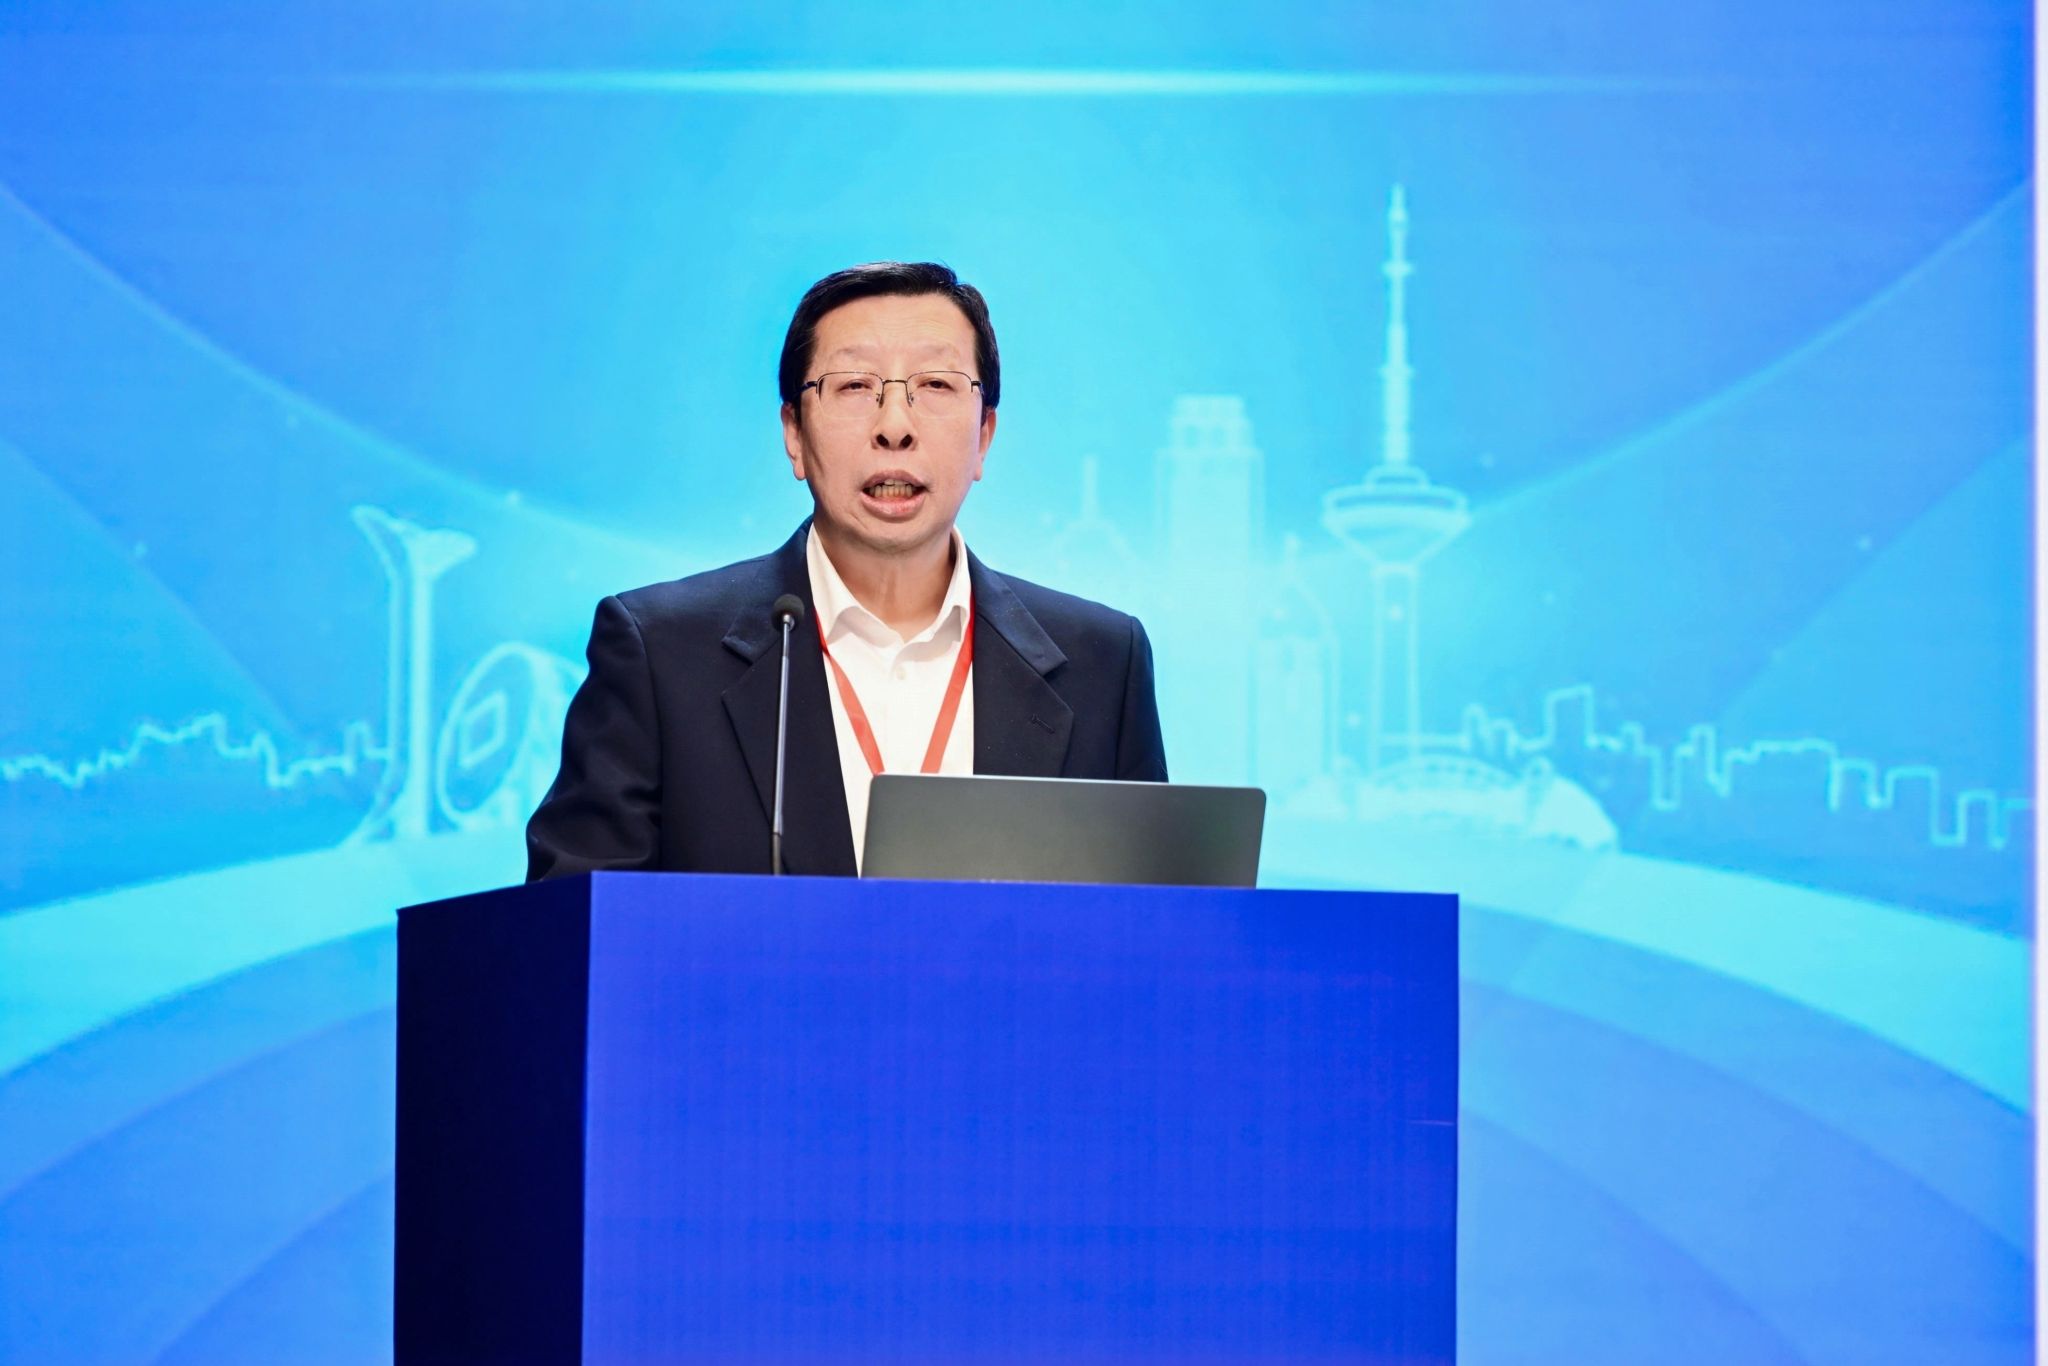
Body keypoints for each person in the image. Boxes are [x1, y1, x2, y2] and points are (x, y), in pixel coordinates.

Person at [525, 261, 1167, 880]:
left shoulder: (1103, 665)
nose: (895, 426)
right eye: (855, 386)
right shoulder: (660, 655)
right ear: (794, 434)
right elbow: (573, 925)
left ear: (984, 437)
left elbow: (1159, 929)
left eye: (936, 385)